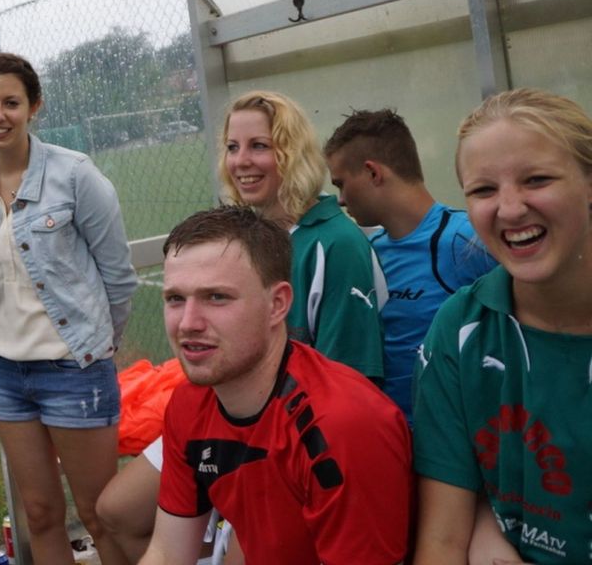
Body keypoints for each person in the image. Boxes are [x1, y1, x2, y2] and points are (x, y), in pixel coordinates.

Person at [100, 89, 387, 563]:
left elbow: (351, 382)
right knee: (115, 511)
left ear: (292, 153)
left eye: (260, 146)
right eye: (233, 147)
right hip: (226, 413)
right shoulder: (243, 232)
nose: (241, 161)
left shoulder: (335, 243)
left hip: (289, 432)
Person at [140, 205, 412, 565]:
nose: (188, 323)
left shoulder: (344, 424)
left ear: (277, 305)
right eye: (175, 298)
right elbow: (167, 553)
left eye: (216, 297)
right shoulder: (190, 403)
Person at [0, 52, 137, 565]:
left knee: (100, 514)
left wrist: (95, 347)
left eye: (11, 103)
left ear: (34, 106)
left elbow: (118, 276)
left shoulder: (75, 175)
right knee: (38, 513)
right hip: (6, 373)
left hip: (74, 371)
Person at [414, 88, 592, 564]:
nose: (510, 209)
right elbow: (442, 540)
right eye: (483, 190)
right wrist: (481, 523)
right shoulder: (460, 329)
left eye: (537, 179)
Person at [324, 108, 498, 423]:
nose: (341, 199)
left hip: (458, 435)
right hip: (390, 436)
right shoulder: (366, 252)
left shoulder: (466, 240)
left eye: (341, 184)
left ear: (373, 173)